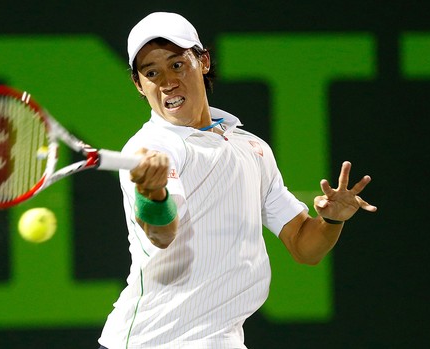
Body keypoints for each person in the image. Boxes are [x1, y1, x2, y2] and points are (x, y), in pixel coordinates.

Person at [98, 12, 377, 349]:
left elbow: (304, 246)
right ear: (139, 85)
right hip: (154, 343)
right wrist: (154, 194)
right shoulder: (153, 148)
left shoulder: (251, 148)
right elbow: (162, 233)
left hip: (223, 340)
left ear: (202, 62)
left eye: (177, 64)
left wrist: (331, 219)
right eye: (151, 72)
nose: (167, 81)